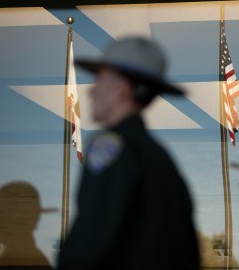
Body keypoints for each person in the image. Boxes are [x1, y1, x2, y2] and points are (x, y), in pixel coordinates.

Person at [57, 36, 200, 270]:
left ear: (120, 89)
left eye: (99, 79)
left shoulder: (110, 146)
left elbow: (88, 246)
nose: (91, 91)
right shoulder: (161, 158)